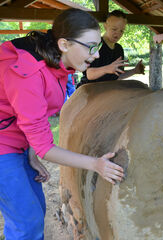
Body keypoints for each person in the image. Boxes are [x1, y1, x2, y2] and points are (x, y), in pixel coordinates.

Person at [0, 8, 124, 240]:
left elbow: (30, 119)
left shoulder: (57, 63)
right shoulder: (28, 74)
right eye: (90, 46)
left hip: (15, 140)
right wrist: (96, 164)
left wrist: (30, 152)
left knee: (36, 210)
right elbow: (46, 148)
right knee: (27, 223)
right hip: (2, 146)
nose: (96, 55)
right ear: (65, 44)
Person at [77, 10, 145, 88]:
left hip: (107, 92)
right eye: (114, 29)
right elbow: (89, 74)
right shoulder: (95, 44)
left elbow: (116, 77)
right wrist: (107, 68)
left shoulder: (119, 49)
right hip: (88, 92)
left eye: (121, 31)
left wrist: (134, 71)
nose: (118, 33)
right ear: (105, 26)